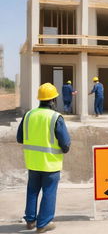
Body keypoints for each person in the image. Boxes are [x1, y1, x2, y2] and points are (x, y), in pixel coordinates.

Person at [16, 83, 71, 233]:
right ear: (53, 101)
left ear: (40, 99)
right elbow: (65, 144)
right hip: (50, 164)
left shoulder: (28, 115)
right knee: (49, 192)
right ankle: (43, 224)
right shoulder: (55, 117)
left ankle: (30, 220)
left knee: (32, 191)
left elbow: (20, 138)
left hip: (33, 162)